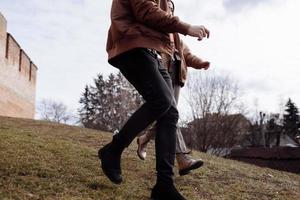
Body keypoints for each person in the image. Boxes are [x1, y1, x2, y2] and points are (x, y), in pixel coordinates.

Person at [99, 0, 209, 199]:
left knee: (170, 112)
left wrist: (194, 59)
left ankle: (164, 186)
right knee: (162, 101)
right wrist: (187, 27)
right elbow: (146, 11)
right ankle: (113, 150)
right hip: (133, 43)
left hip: (153, 51)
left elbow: (176, 41)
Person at [136, 0, 210, 177]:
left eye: (171, 9)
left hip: (177, 77)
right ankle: (181, 158)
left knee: (168, 115)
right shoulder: (158, 32)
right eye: (168, 8)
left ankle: (144, 138)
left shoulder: (177, 37)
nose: (169, 10)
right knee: (170, 113)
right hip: (163, 71)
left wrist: (200, 63)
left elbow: (187, 54)